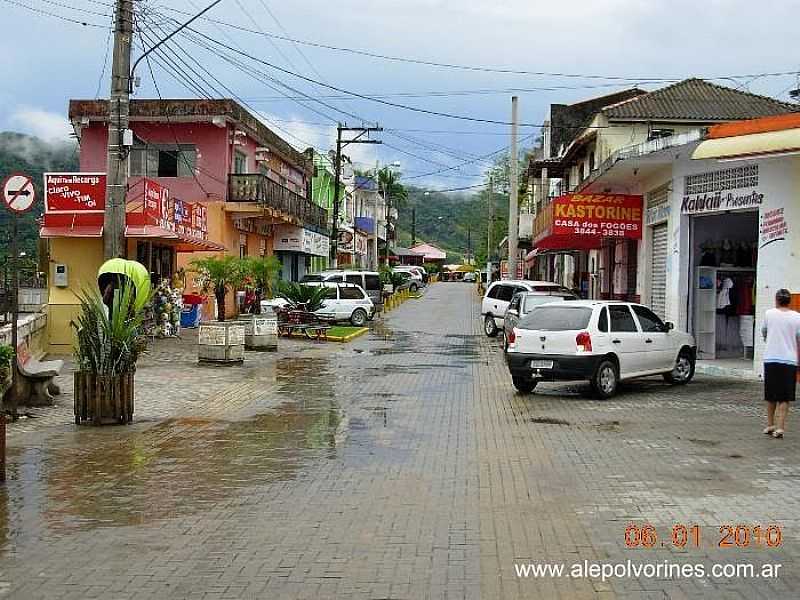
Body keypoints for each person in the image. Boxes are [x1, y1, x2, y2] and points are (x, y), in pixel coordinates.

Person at [761, 288, 800, 439]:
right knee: (784, 396)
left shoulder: (769, 314)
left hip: (771, 358)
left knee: (770, 395)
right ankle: (780, 428)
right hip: (789, 360)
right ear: (789, 301)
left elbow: (764, 331)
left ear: (776, 300)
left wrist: (769, 339)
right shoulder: (797, 317)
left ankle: (770, 424)